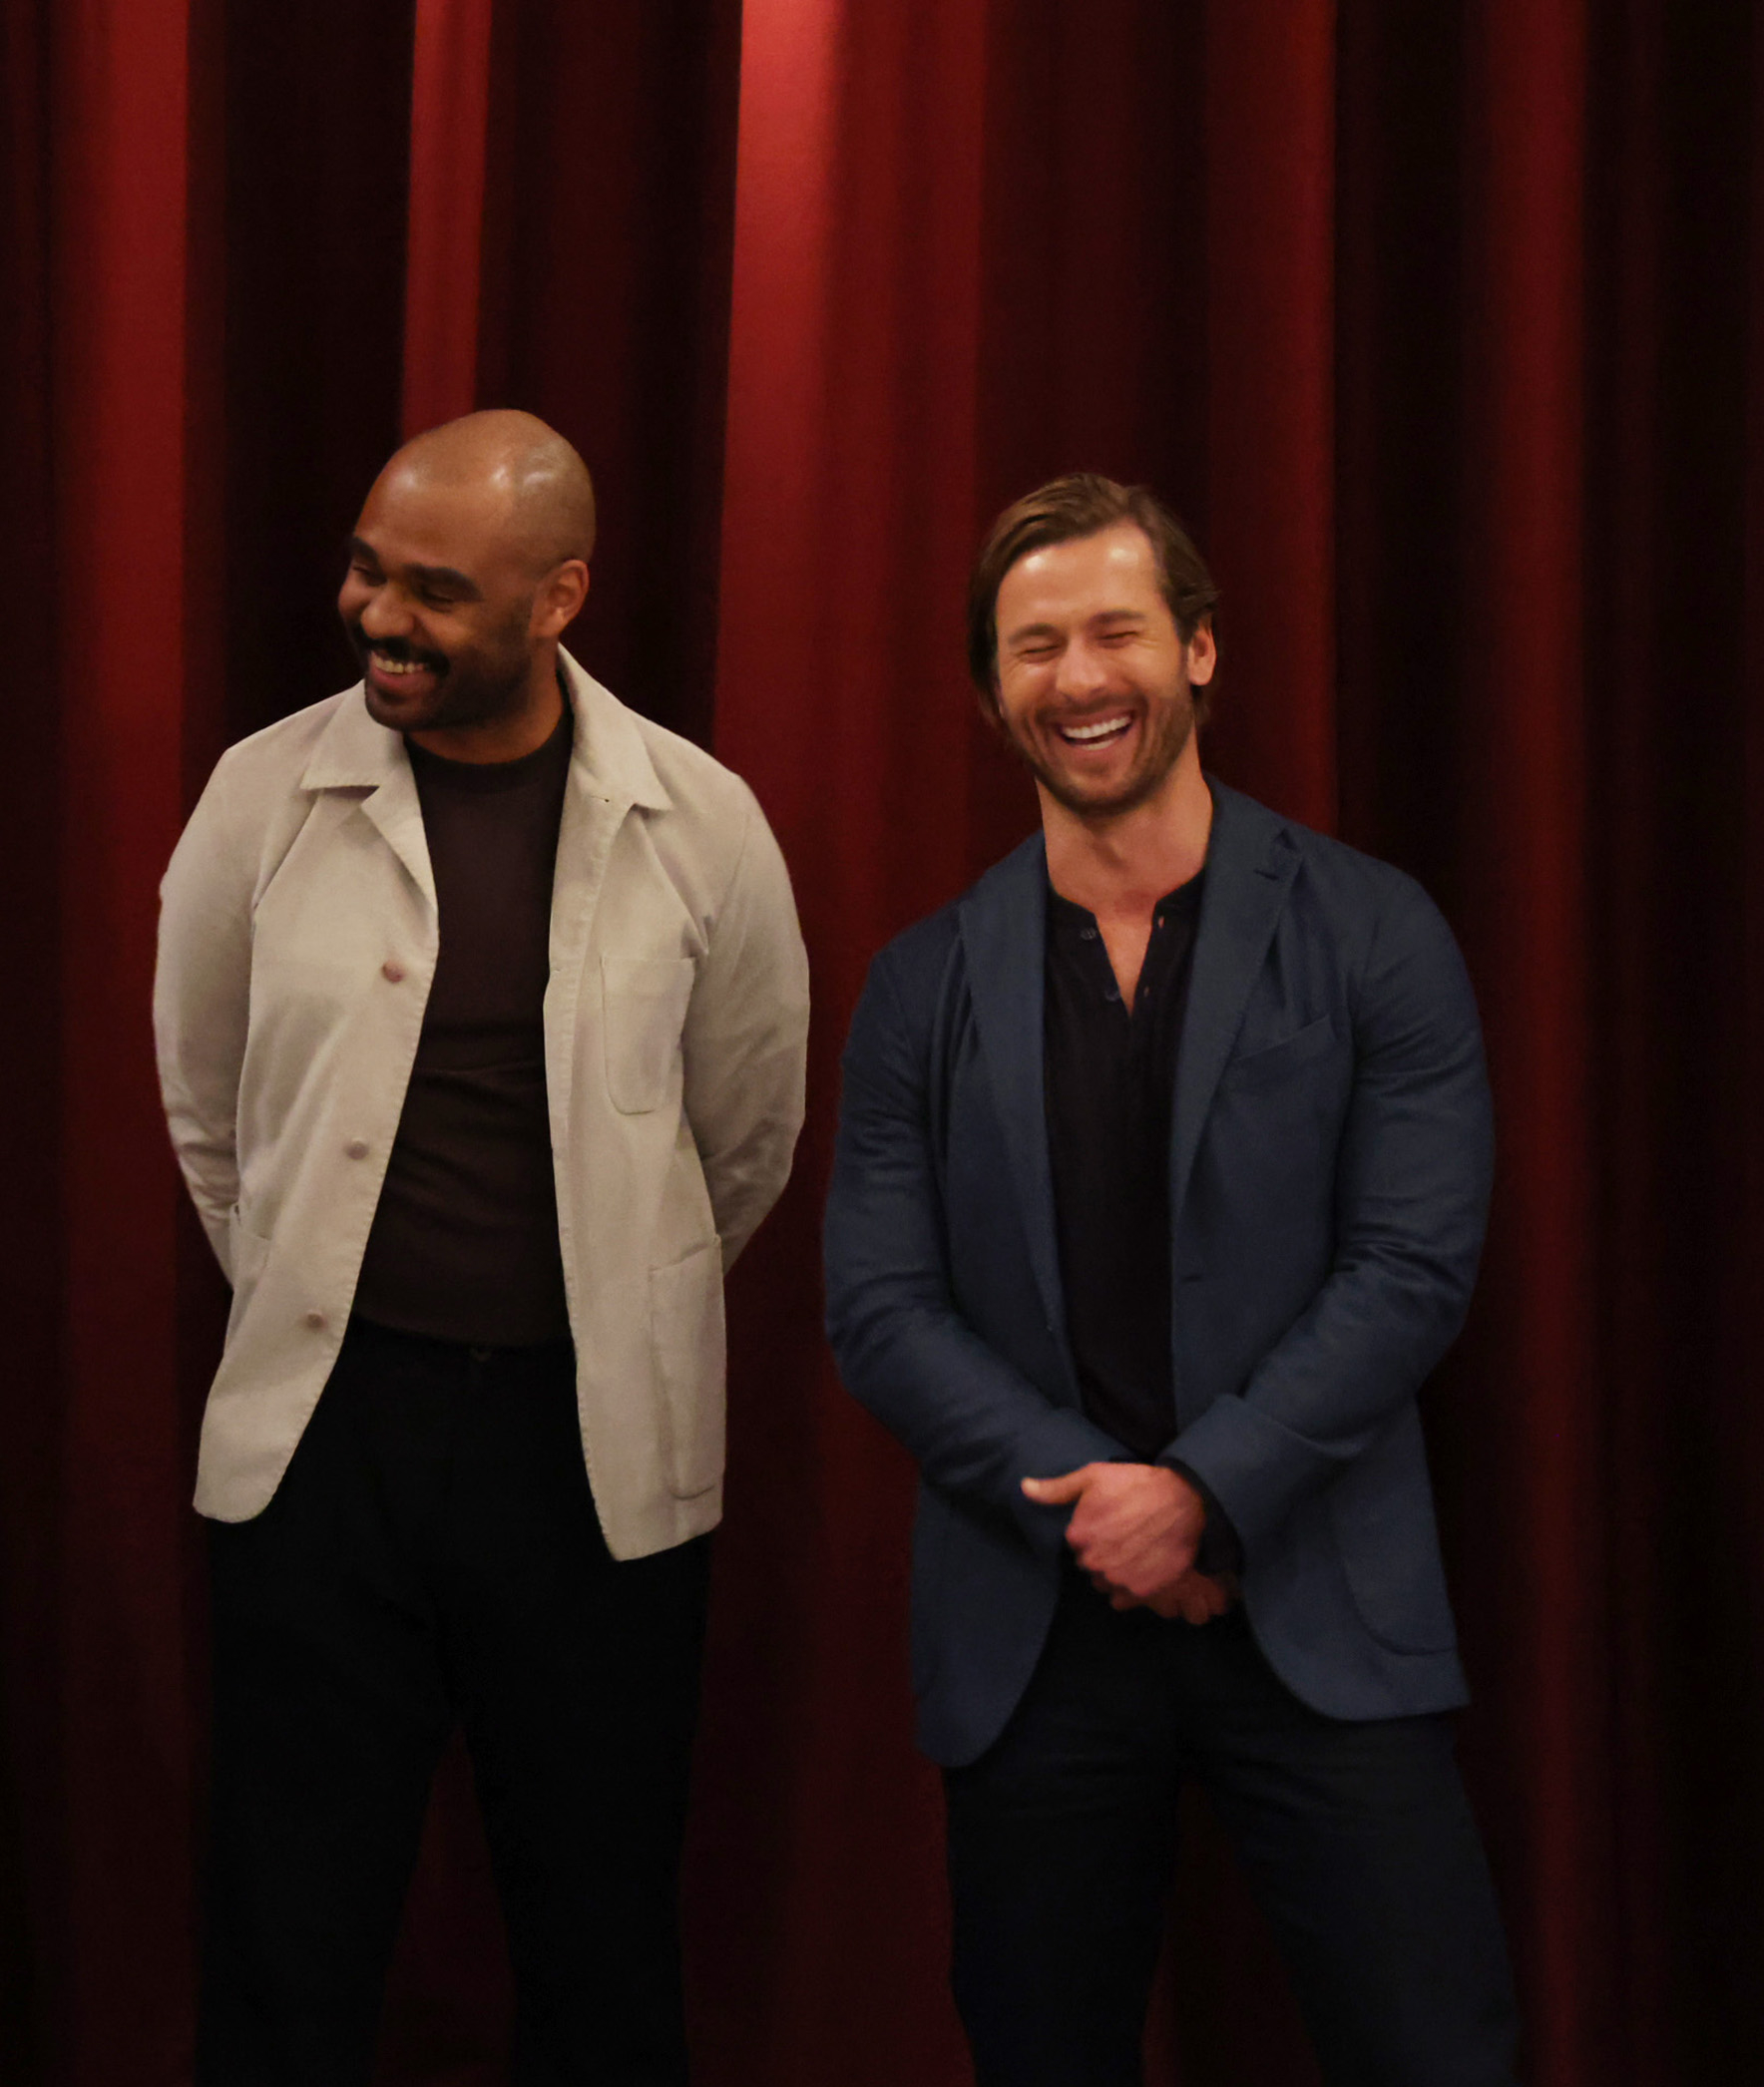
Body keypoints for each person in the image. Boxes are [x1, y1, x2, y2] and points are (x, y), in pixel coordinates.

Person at [824, 473, 1522, 2083]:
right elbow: (880, 1310)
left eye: (1118, 631)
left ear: (1200, 649)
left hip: (1319, 1595)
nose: (1080, 678)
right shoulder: (919, 986)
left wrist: (1203, 1495)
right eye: (1036, 646)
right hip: (1039, 1623)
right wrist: (1107, 1515)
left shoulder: (1374, 930)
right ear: (990, 690)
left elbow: (1412, 1266)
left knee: (1435, 2052)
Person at [156, 410, 811, 2083]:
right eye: (368, 570)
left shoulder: (703, 822)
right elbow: (210, 1115)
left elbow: (741, 1138)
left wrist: (608, 1295)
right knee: (287, 1940)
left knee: (600, 1941)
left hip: (588, 1452)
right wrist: (310, 1280)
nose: (379, 616)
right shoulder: (261, 796)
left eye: (437, 591)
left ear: (558, 598)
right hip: (328, 1439)